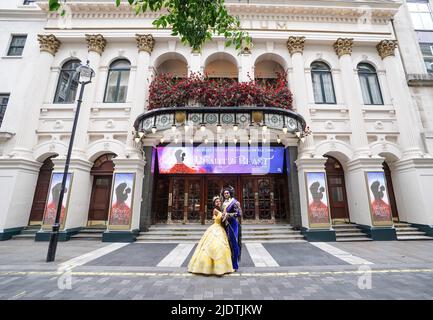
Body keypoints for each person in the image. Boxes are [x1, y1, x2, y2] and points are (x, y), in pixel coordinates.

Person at [188, 196, 234, 276]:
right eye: (217, 202)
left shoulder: (221, 209)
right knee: (215, 246)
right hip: (216, 228)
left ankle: (221, 267)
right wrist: (225, 215)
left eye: (219, 201)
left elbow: (224, 218)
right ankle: (209, 267)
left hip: (220, 228)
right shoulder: (215, 210)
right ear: (214, 203)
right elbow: (221, 217)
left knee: (221, 247)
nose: (218, 202)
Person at [221, 186, 242, 271]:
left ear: (230, 193)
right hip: (225, 225)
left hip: (233, 224)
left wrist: (228, 215)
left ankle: (235, 265)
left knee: (234, 243)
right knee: (227, 244)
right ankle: (228, 263)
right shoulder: (223, 203)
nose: (226, 194)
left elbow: (239, 213)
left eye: (227, 193)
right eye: (225, 193)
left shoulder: (235, 202)